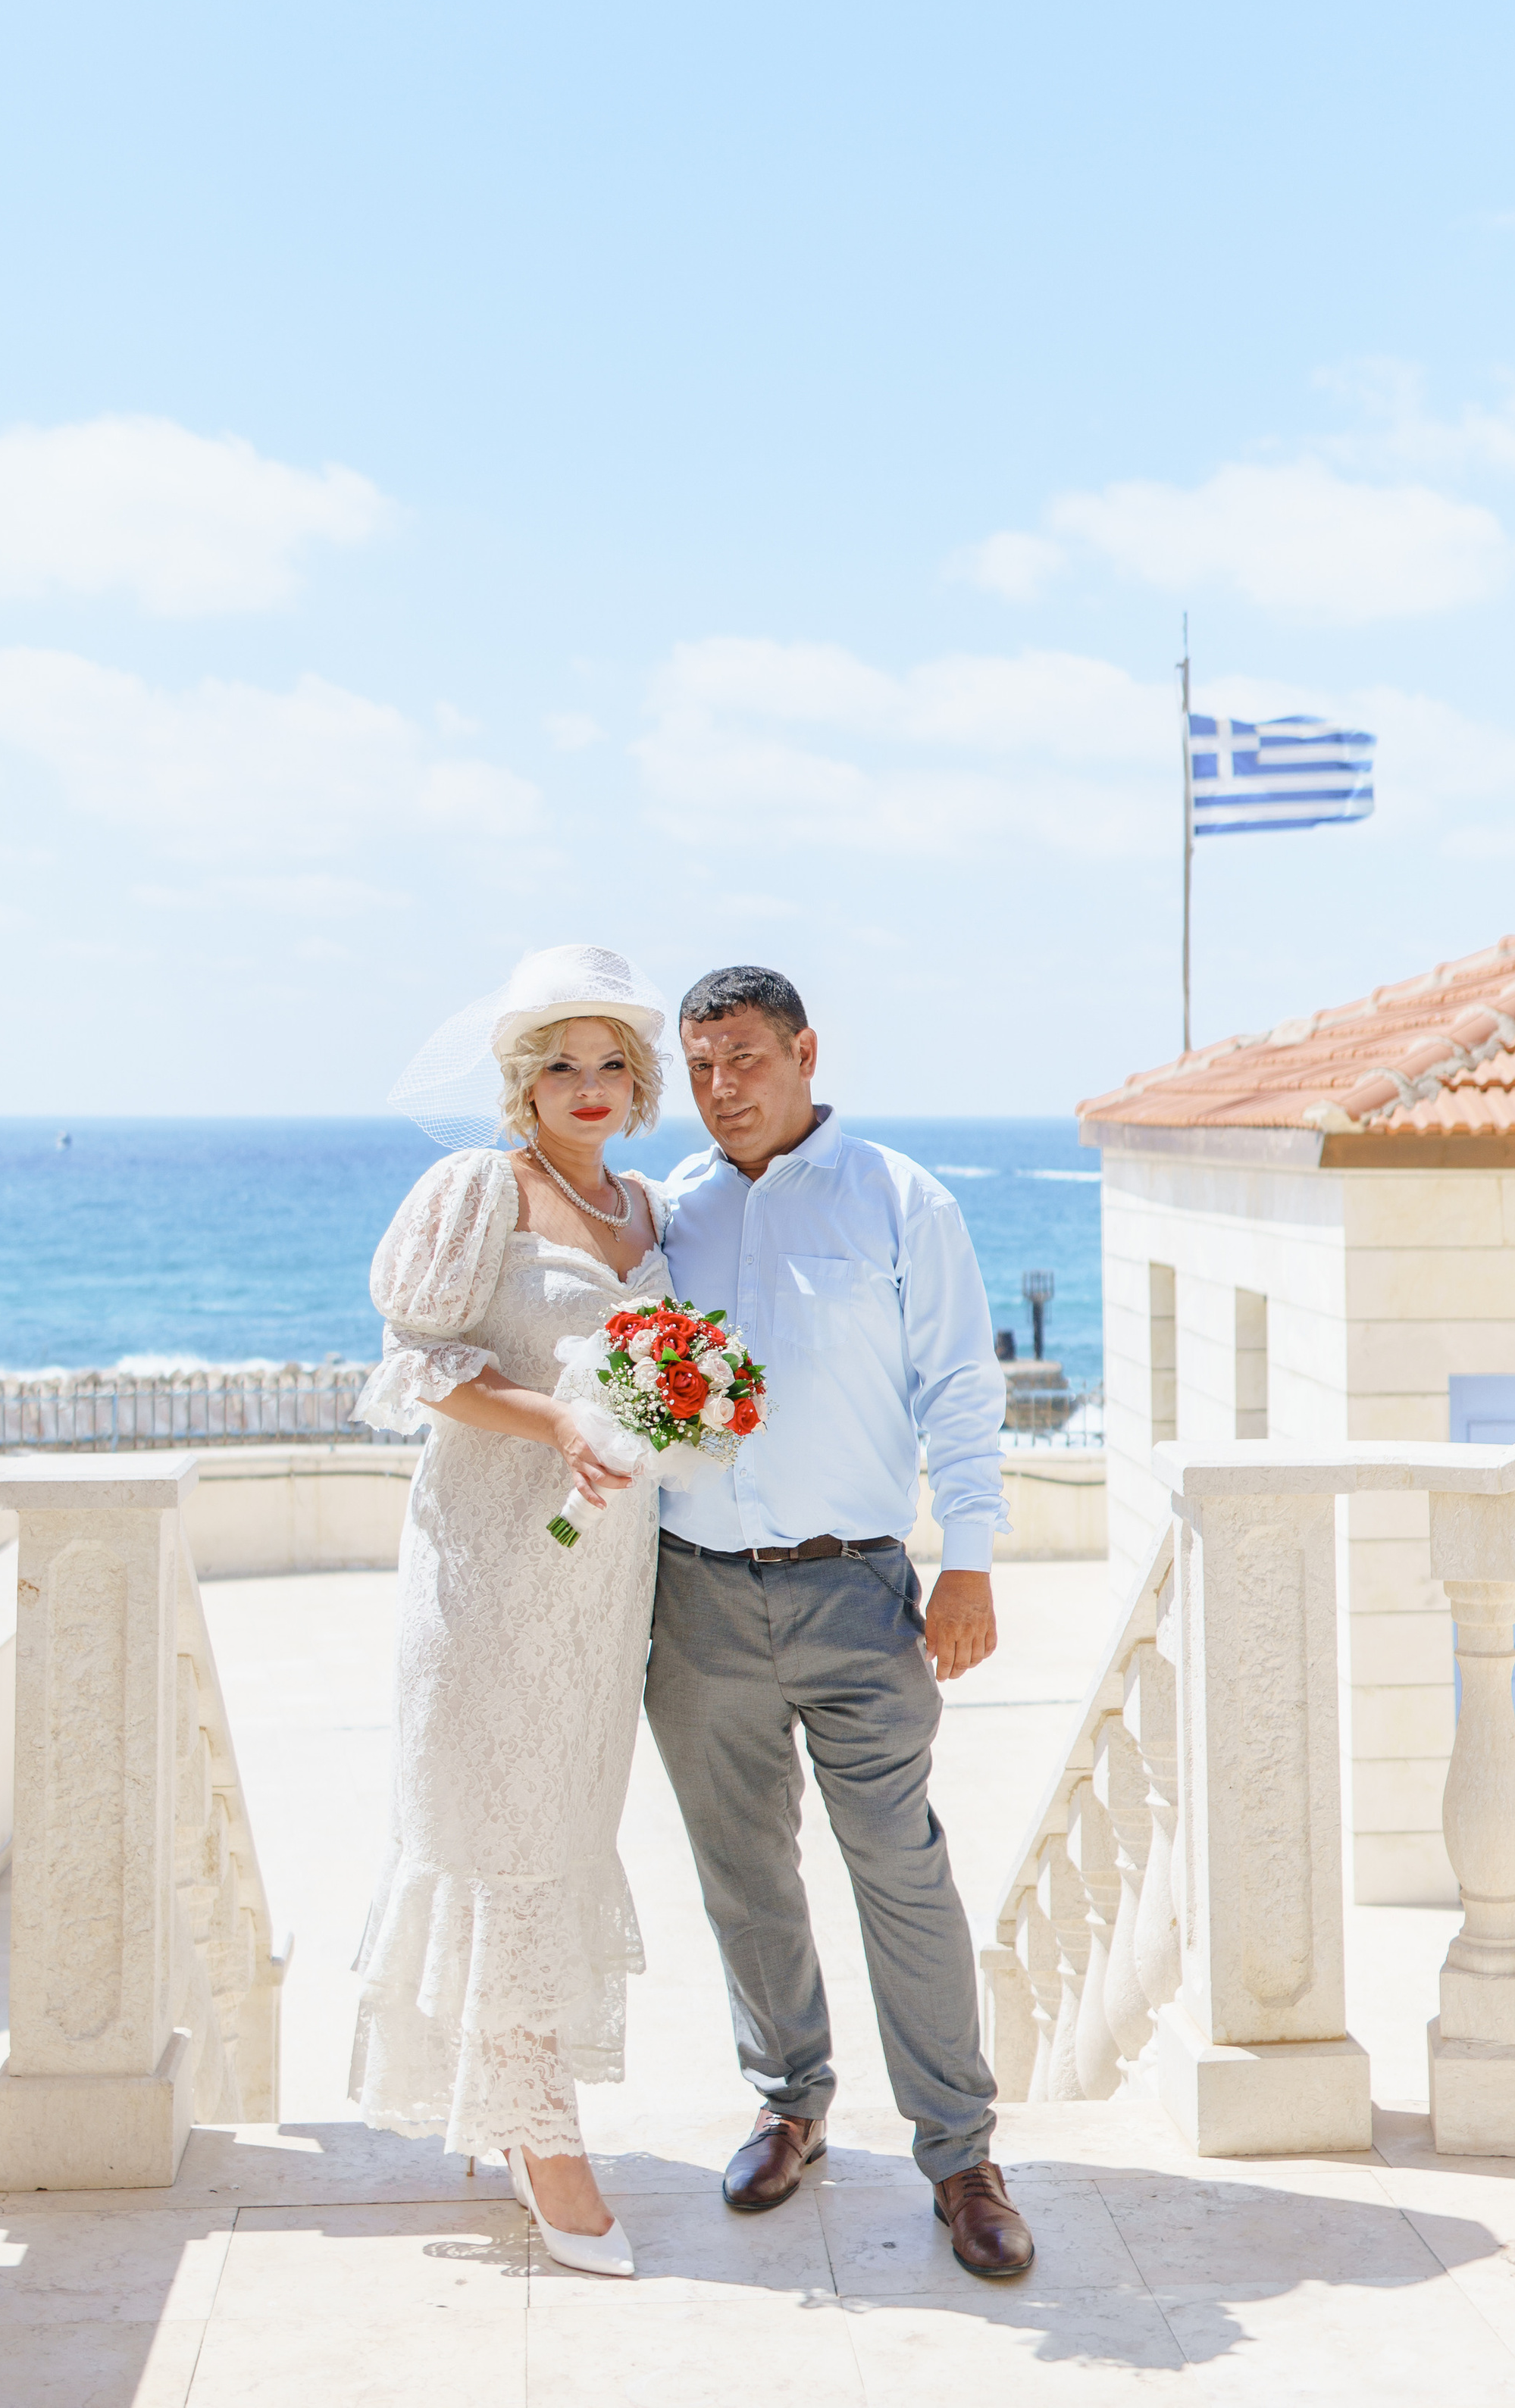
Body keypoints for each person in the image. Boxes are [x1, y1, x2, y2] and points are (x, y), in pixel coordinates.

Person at [646, 963, 1035, 2281]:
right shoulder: (670, 1217)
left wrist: (969, 1560)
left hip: (859, 1592)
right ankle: (789, 2102)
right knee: (742, 1870)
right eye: (699, 1067)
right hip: (694, 1594)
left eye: (744, 1057)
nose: (721, 1088)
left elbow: (958, 1390)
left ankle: (962, 2154)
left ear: (806, 1051)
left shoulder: (898, 1198)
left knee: (901, 1870)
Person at [349, 945, 674, 2280]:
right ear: (520, 1083)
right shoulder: (480, 1190)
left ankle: (508, 2101)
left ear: (638, 1082)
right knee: (502, 1823)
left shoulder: (650, 1207)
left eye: (609, 1065)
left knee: (563, 1819)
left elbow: (666, 1382)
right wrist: (547, 1414)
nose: (587, 1088)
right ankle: (543, 2138)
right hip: (489, 1567)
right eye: (561, 1066)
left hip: (602, 1575)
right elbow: (411, 1368)